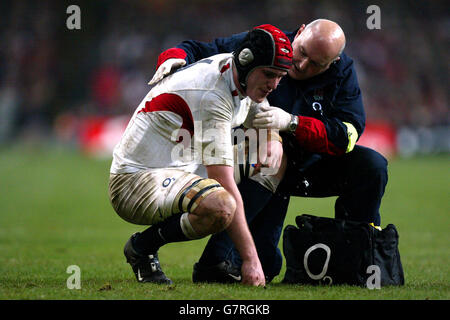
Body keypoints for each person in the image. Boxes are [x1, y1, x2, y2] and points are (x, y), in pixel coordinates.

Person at [149, 19, 389, 284]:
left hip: (309, 165)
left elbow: (347, 135)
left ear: (332, 63)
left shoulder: (342, 73)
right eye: (303, 52)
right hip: (257, 160)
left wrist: (292, 123)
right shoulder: (266, 44)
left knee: (372, 166)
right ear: (299, 33)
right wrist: (174, 59)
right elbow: (200, 50)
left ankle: (357, 257)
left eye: (316, 64)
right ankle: (216, 260)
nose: (302, 65)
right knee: (265, 264)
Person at [108, 24, 293, 286]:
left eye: (280, 76)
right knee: (220, 205)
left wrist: (273, 139)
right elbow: (223, 183)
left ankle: (218, 259)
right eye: (269, 74)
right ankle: (143, 247)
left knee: (273, 162)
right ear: (247, 61)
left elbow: (259, 109)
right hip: (135, 181)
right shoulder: (211, 94)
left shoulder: (236, 73)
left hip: (182, 167)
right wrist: (251, 260)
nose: (274, 84)